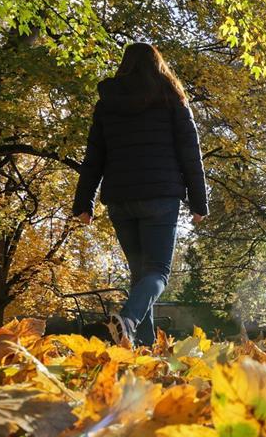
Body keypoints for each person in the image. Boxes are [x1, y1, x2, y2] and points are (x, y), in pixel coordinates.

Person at [70, 43, 208, 347]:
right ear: (158, 65)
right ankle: (129, 320)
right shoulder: (172, 99)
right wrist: (199, 202)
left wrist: (84, 203)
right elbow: (190, 154)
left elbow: (94, 155)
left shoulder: (108, 103)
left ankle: (142, 349)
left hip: (121, 199)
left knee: (140, 278)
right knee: (157, 273)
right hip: (160, 198)